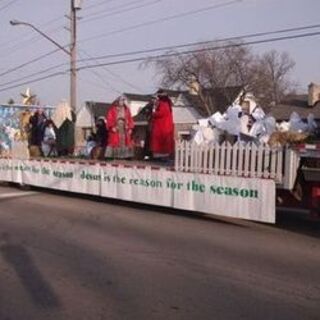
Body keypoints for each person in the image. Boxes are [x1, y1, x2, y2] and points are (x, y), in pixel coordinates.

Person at [150, 89, 174, 160]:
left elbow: (161, 113)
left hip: (161, 125)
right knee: (164, 141)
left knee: (160, 141)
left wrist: (153, 113)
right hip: (166, 125)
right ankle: (163, 155)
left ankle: (160, 156)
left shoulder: (163, 104)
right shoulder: (168, 103)